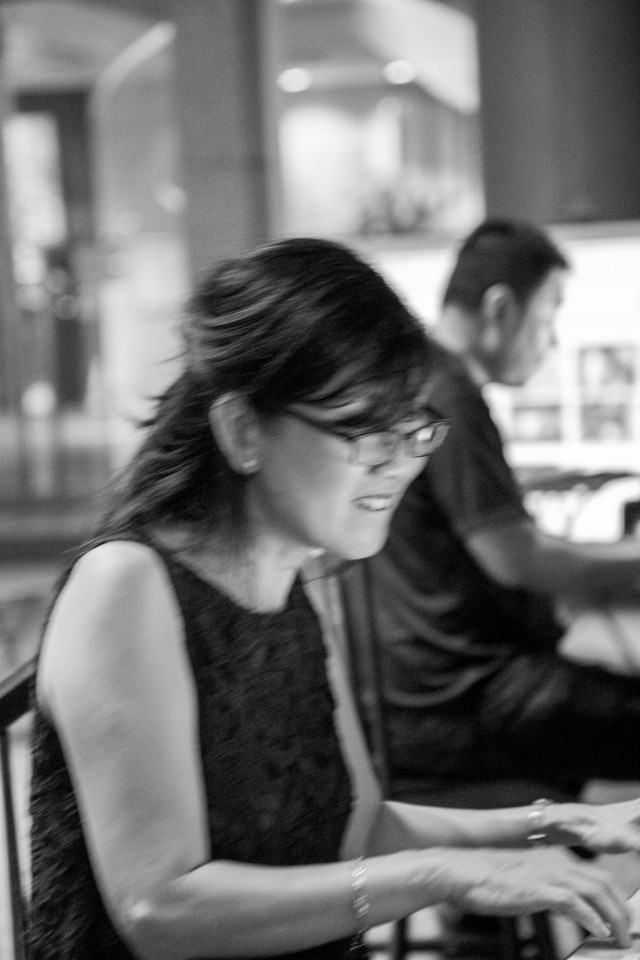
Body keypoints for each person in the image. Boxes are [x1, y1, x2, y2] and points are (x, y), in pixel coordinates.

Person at [27, 236, 640, 960]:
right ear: (242, 430)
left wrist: (547, 824)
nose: (400, 464)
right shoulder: (125, 588)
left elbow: (361, 827)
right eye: (365, 432)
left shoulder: (296, 579)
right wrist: (446, 875)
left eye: (412, 431)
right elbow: (160, 908)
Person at [364, 219, 640, 807]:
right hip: (467, 705)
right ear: (501, 309)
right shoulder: (449, 398)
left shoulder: (424, 383)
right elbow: (517, 560)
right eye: (548, 315)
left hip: (437, 699)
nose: (552, 341)